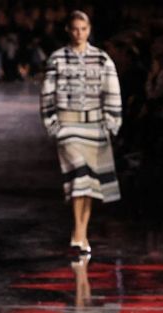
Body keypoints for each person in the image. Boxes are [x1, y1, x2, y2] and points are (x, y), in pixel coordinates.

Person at [39, 10, 123, 254]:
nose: (79, 33)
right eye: (75, 29)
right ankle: (78, 233)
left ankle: (81, 234)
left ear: (89, 30)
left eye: (83, 29)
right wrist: (52, 124)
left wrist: (112, 123)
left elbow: (112, 91)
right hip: (68, 127)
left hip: (95, 126)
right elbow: (46, 94)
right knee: (80, 174)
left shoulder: (102, 59)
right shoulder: (57, 59)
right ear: (68, 30)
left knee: (89, 183)